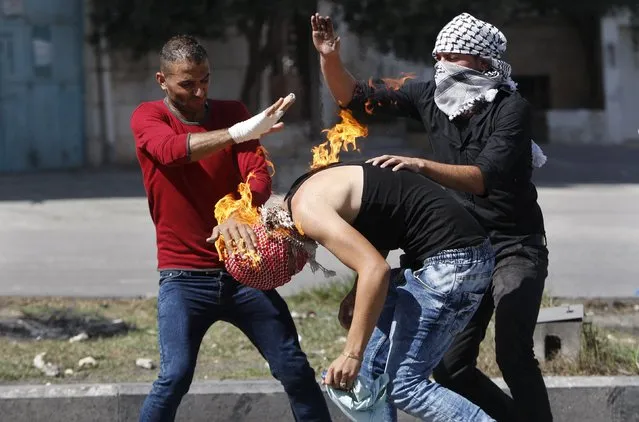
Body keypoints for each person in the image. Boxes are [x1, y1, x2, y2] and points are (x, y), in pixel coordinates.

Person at [311, 11, 552, 422]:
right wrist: (329, 56)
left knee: (513, 352)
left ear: (481, 62)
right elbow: (353, 96)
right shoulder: (431, 95)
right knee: (451, 366)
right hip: (463, 250)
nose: (442, 66)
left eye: (452, 57)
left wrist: (420, 166)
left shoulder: (511, 109)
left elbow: (482, 178)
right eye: (438, 56)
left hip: (515, 247)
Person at [130, 34, 332, 422]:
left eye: (205, 79)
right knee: (173, 377)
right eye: (187, 83)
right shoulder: (148, 116)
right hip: (183, 277)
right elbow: (173, 152)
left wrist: (239, 211)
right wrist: (240, 131)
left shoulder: (231, 111)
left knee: (294, 368)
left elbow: (257, 175)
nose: (199, 90)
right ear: (162, 81)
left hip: (243, 273)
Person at [228, 160, 497, 421]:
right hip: (439, 258)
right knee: (367, 376)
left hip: (455, 262)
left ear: (284, 247)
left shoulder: (306, 213)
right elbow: (382, 220)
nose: (307, 260)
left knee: (404, 386)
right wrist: (357, 293)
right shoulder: (302, 192)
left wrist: (351, 353)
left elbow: (375, 270)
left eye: (296, 264)